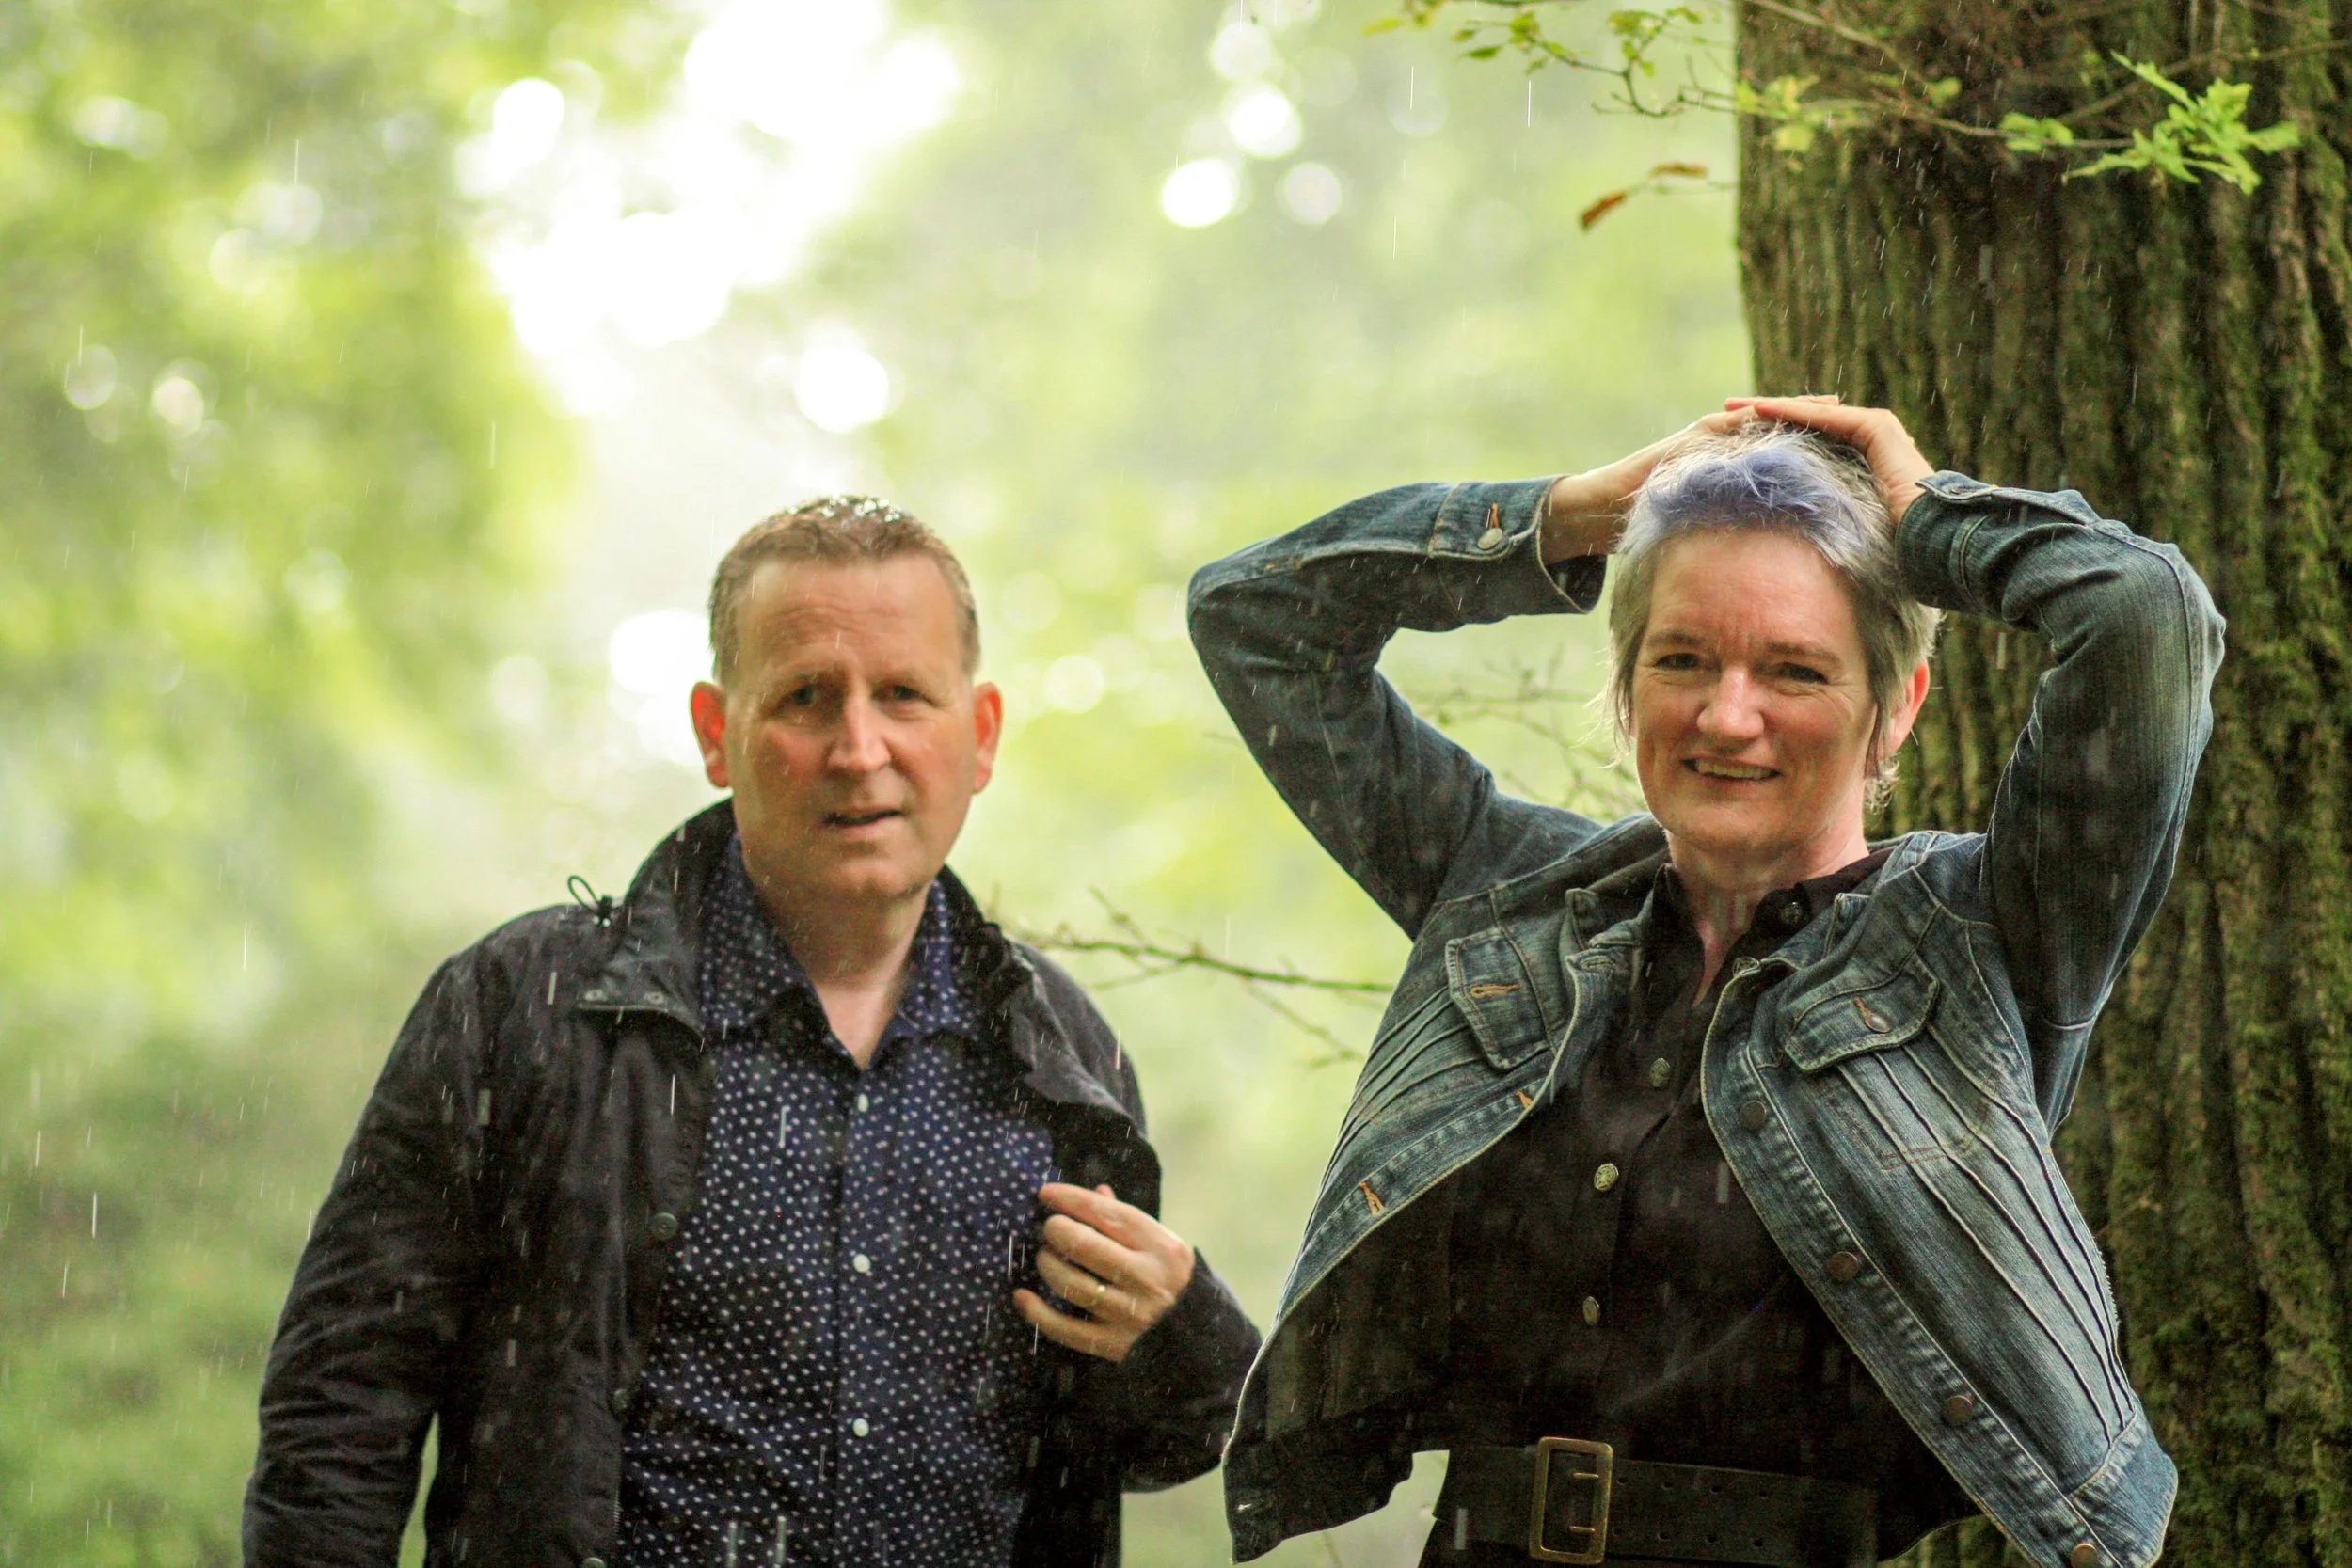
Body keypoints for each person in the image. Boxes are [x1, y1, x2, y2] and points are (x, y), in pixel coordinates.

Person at [1189, 399, 2220, 1568]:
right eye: (1681, 658)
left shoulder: (1982, 934)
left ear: (1894, 708)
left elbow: (2146, 619)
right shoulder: (1507, 892)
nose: (1728, 716)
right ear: (1627, 684)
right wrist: (1571, 517)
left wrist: (1929, 516)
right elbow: (1253, 618)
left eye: (1794, 670)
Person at [245, 497, 1260, 1568]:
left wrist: (1189, 1337)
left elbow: (1161, 1445)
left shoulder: (1061, 1055)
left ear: (982, 734)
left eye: (903, 694)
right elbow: (338, 1414)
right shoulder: (522, 1009)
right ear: (714, 733)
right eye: (805, 697)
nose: (858, 748)